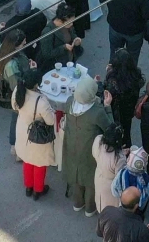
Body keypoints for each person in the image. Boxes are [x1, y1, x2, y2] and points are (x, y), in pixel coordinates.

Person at [62, 76, 113, 214]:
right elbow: (109, 128)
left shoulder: (69, 102)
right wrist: (107, 106)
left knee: (76, 175)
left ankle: (78, 203)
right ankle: (90, 208)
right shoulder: (97, 112)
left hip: (72, 146)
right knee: (90, 180)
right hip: (89, 149)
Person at [12, 66, 58, 199]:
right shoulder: (41, 102)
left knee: (27, 160)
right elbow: (50, 121)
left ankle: (28, 187)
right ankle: (38, 190)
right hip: (37, 135)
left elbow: (14, 106)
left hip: (23, 131)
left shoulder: (18, 90)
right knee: (39, 163)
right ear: (36, 85)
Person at [103, 47, 145, 138]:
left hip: (116, 111)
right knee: (127, 130)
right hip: (129, 109)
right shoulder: (136, 74)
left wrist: (108, 72)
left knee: (116, 133)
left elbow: (106, 92)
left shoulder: (113, 81)